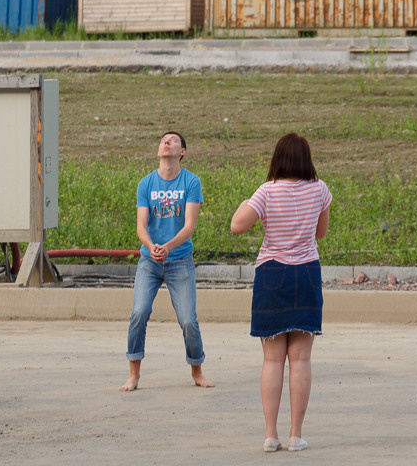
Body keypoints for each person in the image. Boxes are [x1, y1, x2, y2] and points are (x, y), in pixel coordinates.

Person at [231, 132, 332, 453]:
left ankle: (270, 435)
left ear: (277, 159)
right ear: (306, 159)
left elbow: (237, 225)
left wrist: (245, 203)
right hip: (306, 273)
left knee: (272, 360)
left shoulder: (266, 191)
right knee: (300, 358)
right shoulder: (319, 189)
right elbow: (321, 233)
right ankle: (295, 435)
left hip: (271, 272)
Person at [121, 131, 214, 392]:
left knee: (187, 319)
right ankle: (133, 374)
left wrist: (168, 247)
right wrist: (152, 248)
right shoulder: (146, 184)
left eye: (172, 140)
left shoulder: (191, 182)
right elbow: (141, 226)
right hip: (149, 261)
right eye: (163, 140)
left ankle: (197, 370)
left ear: (182, 151)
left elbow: (189, 226)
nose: (166, 142)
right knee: (139, 313)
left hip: (180, 259)